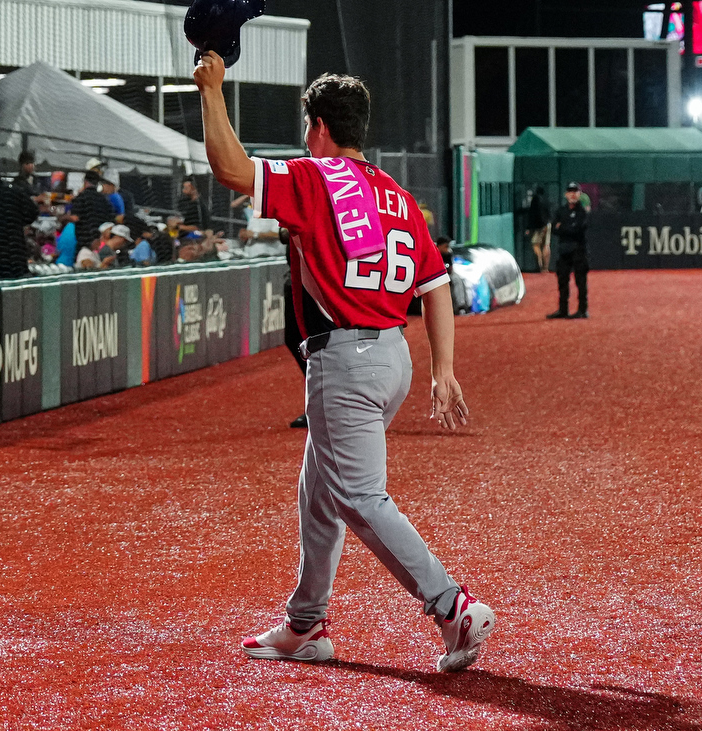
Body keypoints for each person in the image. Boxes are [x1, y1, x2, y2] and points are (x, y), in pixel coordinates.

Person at [195, 54, 494, 673]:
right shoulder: (397, 195)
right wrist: (444, 369)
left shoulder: (313, 176)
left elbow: (228, 166)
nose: (305, 137)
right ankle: (305, 623)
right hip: (393, 357)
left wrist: (212, 90)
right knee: (318, 493)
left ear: (320, 127)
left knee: (358, 497)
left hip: (347, 360)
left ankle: (451, 606)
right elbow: (436, 283)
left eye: (308, 126)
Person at [546, 183, 590, 319]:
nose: (572, 194)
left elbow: (578, 229)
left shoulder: (583, 212)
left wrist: (563, 227)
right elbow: (554, 229)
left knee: (580, 281)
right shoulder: (561, 210)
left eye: (575, 191)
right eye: (570, 191)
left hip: (579, 251)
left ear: (579, 194)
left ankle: (583, 310)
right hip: (564, 251)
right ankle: (563, 310)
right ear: (566, 194)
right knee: (562, 281)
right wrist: (567, 227)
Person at [69, 170, 114, 250]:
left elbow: (75, 218)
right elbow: (111, 217)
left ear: (85, 182)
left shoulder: (81, 197)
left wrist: (63, 217)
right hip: (101, 240)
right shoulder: (105, 199)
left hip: (84, 241)